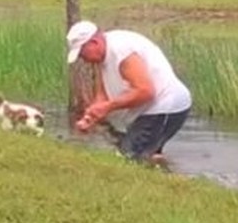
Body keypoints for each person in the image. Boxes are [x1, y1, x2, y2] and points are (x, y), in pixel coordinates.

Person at [66, 20, 192, 163]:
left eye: (82, 53)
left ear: (94, 43)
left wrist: (108, 107)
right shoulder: (102, 56)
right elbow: (103, 94)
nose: (83, 59)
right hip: (148, 111)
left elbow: (146, 91)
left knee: (128, 158)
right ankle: (159, 168)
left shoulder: (121, 51)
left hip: (165, 106)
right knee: (142, 154)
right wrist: (90, 117)